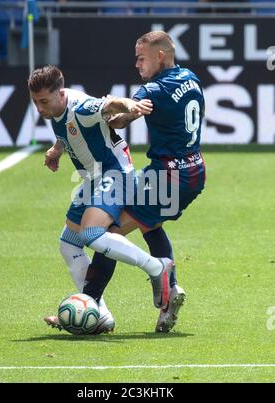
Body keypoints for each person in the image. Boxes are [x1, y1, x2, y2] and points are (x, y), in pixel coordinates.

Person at [28, 64, 175, 334]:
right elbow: (66, 130)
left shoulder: (82, 108)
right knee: (68, 245)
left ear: (60, 94)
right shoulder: (57, 107)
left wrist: (129, 105)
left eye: (44, 101)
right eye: (35, 102)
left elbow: (109, 104)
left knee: (92, 234)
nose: (39, 108)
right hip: (92, 179)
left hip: (115, 174)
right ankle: (98, 314)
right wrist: (57, 148)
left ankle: (157, 268)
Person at [83, 31, 206, 333]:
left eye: (141, 57)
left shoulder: (155, 88)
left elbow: (123, 116)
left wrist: (111, 112)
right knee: (150, 223)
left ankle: (87, 304)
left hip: (168, 177)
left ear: (160, 55)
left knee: (108, 235)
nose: (137, 64)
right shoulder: (191, 77)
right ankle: (171, 291)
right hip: (192, 169)